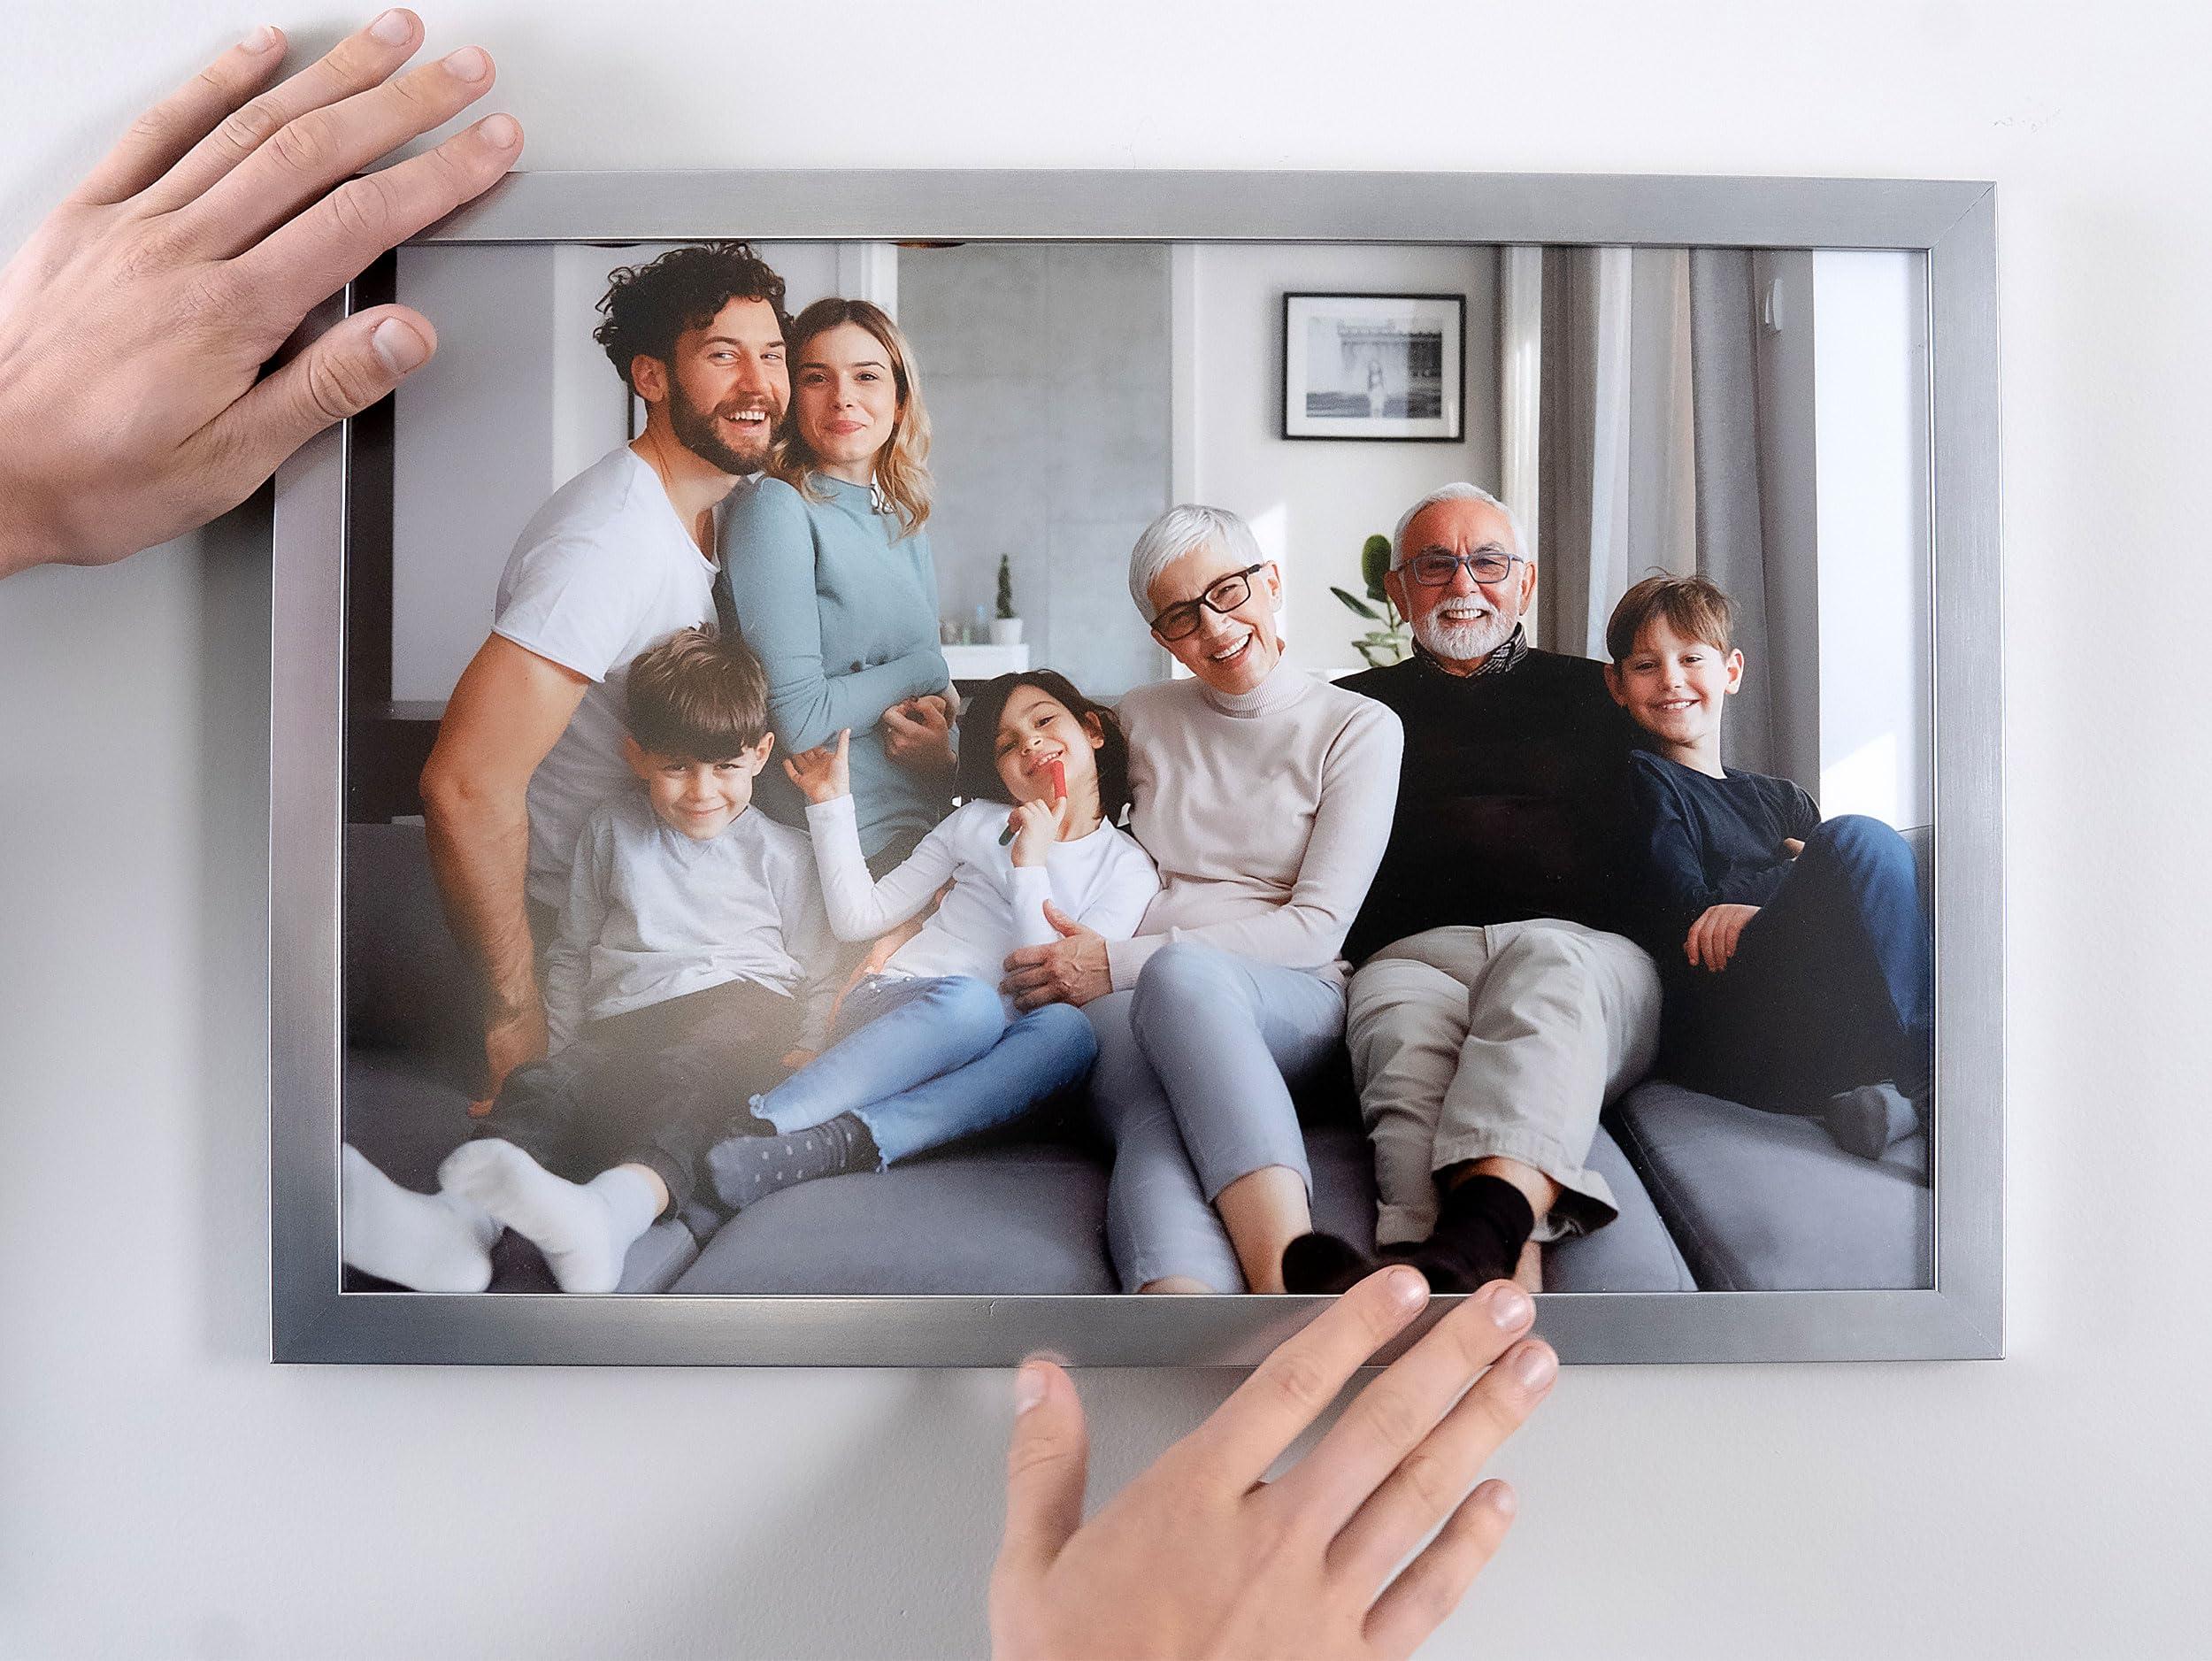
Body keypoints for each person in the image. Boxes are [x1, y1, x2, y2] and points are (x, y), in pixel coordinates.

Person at [1, 31, 1555, 1657]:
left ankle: (1218, 1302)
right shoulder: (675, 546)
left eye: (802, 360)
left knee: (1035, 1034)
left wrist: (1017, 861)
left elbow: (1117, 864)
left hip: (877, 945)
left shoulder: (1105, 721)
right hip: (678, 925)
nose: (781, 389)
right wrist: (815, 860)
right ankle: (586, 1192)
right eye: (751, 360)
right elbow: (615, 787)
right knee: (917, 1021)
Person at [341, 629, 840, 1293]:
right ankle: (457, 1227)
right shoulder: (610, 830)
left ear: (760, 753)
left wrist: (808, 1050)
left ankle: (611, 1212)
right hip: (625, 1017)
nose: (702, 791)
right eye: (676, 767)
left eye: (724, 767)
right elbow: (573, 952)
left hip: (742, 1002)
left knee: (694, 1073)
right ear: (636, 755)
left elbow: (821, 968)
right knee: (544, 1088)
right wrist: (563, 1050)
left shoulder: (784, 852)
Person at [419, 239, 794, 1107]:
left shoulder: (705, 517)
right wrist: (514, 1013)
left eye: (770, 353)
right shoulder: (606, 543)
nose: (758, 382)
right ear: (652, 377)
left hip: (669, 906)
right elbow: (466, 784)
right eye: (722, 354)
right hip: (579, 938)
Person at [1002, 505, 1404, 1296]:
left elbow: (1316, 926)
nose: (1216, 628)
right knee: (1148, 1109)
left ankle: (1287, 1282)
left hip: (1285, 997)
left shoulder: (1357, 727)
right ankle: (1183, 1322)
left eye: (1229, 592)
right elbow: (1047, 772)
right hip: (1132, 993)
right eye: (1183, 615)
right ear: (1162, 638)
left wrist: (1120, 961)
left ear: (1271, 582)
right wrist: (932, 752)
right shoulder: (1143, 717)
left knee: (1177, 981)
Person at [1282, 483, 1663, 1297]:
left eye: (1488, 561)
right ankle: (1449, 1279)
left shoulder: (1605, 692)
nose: (1464, 583)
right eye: (1435, 564)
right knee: (1401, 1049)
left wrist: (1776, 842)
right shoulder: (1344, 710)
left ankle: (1437, 1267)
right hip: (1413, 960)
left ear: (1524, 583)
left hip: (1581, 953)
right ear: (1397, 590)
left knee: (1545, 972)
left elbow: (1701, 781)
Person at [707, 671, 1158, 1208]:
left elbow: (1048, 982)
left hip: (994, 1053)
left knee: (1070, 1034)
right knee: (972, 1006)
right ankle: (763, 1120)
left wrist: (1031, 865)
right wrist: (830, 802)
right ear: (1001, 776)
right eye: (1007, 746)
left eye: (1043, 721)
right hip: (900, 1003)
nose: (1030, 743)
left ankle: (844, 1144)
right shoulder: (975, 823)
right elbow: (860, 917)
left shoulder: (1130, 870)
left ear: (1093, 731)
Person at [1603, 573, 1933, 1157]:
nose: (1672, 679)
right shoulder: (1642, 779)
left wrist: (1763, 891)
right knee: (1859, 838)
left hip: (1816, 1013)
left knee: (1869, 851)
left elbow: (1844, 895)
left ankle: (1878, 1095)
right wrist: (1797, 869)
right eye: (1646, 665)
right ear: (1617, 685)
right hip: (1733, 1029)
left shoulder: (1782, 798)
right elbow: (1690, 912)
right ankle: (1934, 1084)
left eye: (1690, 658)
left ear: (1730, 671)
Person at [718, 296, 958, 874]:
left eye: (866, 376)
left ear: (898, 401)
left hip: (929, 826)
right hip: (849, 845)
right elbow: (800, 719)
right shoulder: (777, 508)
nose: (843, 397)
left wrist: (939, 752)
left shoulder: (902, 515)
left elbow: (935, 705)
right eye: (816, 378)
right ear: (791, 397)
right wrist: (926, 669)